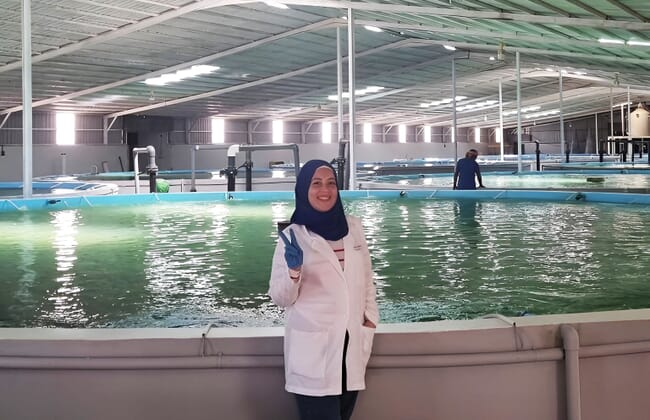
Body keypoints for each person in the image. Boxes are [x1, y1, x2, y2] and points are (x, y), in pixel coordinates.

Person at [268, 159, 379, 420]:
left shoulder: (353, 227)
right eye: (316, 184)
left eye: (331, 183)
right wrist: (294, 272)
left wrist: (371, 318)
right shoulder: (293, 236)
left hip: (351, 344)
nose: (325, 190)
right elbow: (280, 298)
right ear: (304, 190)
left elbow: (367, 277)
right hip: (313, 351)